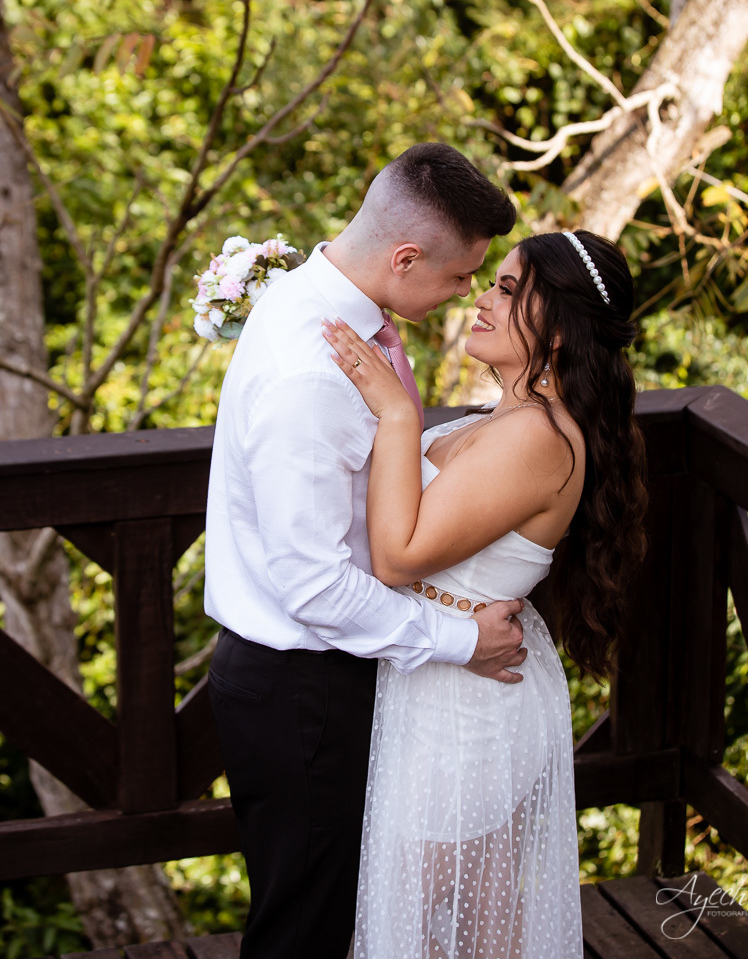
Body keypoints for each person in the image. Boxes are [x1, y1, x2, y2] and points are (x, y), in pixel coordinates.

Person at [204, 143, 525, 959]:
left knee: (329, 909)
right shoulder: (312, 374)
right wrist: (464, 643)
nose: (466, 295)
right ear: (406, 256)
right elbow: (314, 588)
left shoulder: (324, 304)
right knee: (305, 927)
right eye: (459, 277)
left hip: (323, 677)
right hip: (302, 688)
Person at [323, 228, 648, 959]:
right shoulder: (499, 420)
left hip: (466, 712)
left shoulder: (536, 435)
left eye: (507, 289)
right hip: (455, 682)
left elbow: (398, 557)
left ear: (559, 330)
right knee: (481, 913)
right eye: (491, 283)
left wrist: (400, 413)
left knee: (414, 913)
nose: (482, 300)